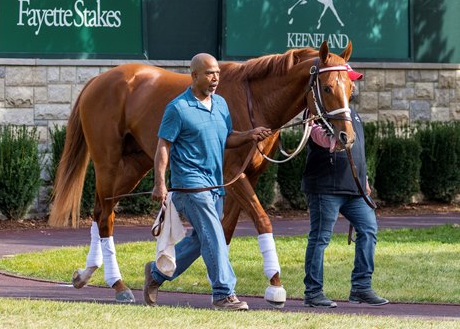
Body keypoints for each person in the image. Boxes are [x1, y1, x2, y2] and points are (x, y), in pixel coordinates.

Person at [144, 53, 273, 311]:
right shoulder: (178, 108)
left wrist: (249, 135)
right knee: (214, 235)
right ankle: (223, 293)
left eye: (217, 73)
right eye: (209, 73)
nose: (215, 78)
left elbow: (227, 138)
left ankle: (156, 273)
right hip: (191, 187)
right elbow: (163, 146)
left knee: (200, 241)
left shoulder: (221, 104)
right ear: (194, 76)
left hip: (215, 187)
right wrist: (160, 183)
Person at [301, 66, 389, 308]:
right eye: (348, 80)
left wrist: (366, 180)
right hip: (325, 187)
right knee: (320, 238)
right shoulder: (316, 113)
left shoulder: (352, 115)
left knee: (368, 230)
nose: (352, 85)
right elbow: (319, 137)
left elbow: (359, 152)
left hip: (355, 188)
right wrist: (335, 141)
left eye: (351, 82)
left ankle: (361, 287)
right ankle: (313, 292)